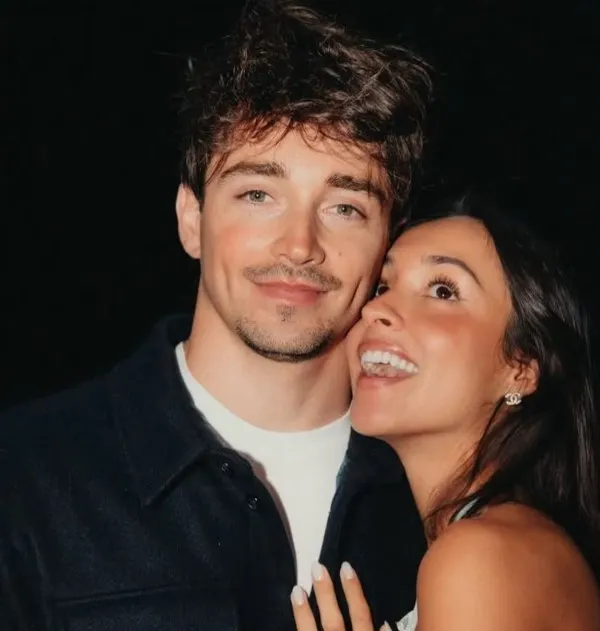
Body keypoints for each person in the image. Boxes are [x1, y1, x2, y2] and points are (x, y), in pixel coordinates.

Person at [0, 2, 432, 630]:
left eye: (345, 207)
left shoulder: (442, 498)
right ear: (191, 218)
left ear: (389, 241)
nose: (299, 245)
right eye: (258, 194)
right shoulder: (23, 475)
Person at [291, 192, 600, 631]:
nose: (374, 309)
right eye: (382, 286)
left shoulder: (480, 557)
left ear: (520, 368)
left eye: (442, 290)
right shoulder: (505, 544)